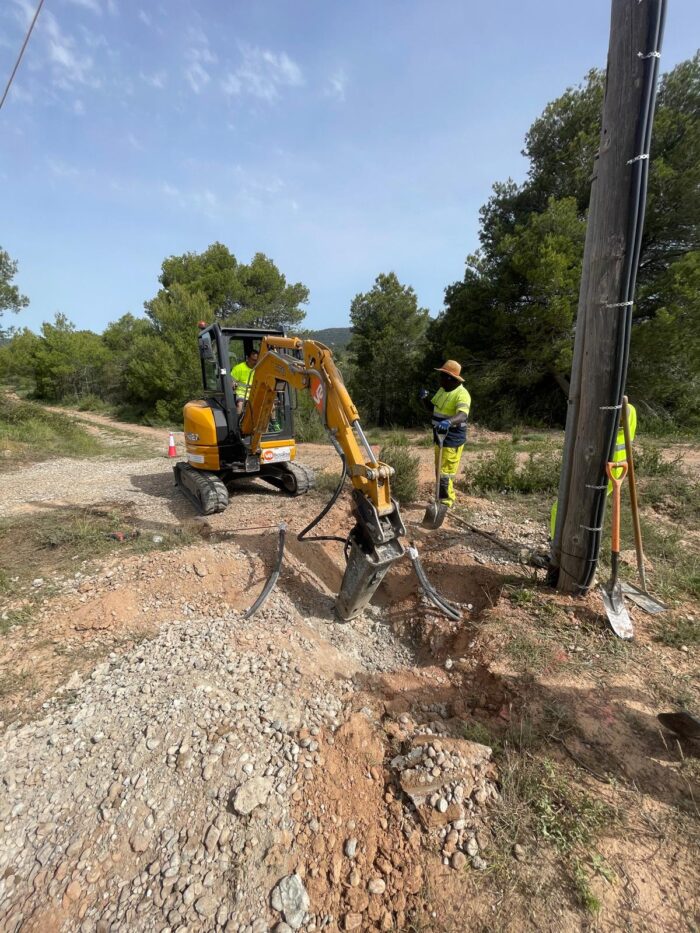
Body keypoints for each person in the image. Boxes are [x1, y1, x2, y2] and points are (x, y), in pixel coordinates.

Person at [549, 402, 637, 539]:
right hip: (616, 469)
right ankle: (579, 542)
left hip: (605, 471)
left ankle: (556, 545)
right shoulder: (630, 409)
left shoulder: (620, 409)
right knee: (589, 509)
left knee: (560, 507)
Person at [419, 359, 471, 509]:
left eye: (442, 376)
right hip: (439, 437)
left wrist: (448, 422)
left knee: (445, 473)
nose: (439, 379)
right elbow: (431, 409)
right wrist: (423, 399)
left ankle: (446, 502)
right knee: (439, 470)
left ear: (450, 378)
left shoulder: (462, 394)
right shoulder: (443, 391)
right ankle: (439, 497)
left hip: (452, 439)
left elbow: (462, 415)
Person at [232, 348, 259, 414]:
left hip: (256, 393)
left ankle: (273, 422)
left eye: (256, 360)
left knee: (269, 403)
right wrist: (233, 383)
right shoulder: (239, 368)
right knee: (240, 404)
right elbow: (231, 381)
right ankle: (238, 422)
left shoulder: (259, 368)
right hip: (242, 393)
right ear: (248, 358)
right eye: (253, 360)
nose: (255, 362)